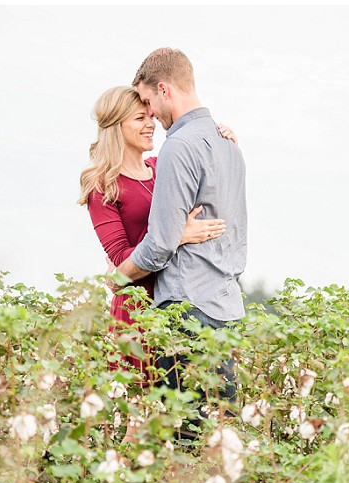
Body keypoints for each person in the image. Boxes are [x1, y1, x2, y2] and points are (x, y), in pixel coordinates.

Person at [78, 86, 236, 437]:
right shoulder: (102, 186)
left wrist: (222, 139)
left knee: (185, 413)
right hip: (138, 310)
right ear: (115, 126)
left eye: (150, 114)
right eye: (139, 118)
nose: (151, 123)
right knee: (141, 417)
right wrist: (176, 235)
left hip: (178, 299)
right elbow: (120, 262)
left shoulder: (160, 165)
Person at [111, 47, 247, 416]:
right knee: (221, 433)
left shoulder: (179, 147)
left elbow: (158, 245)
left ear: (164, 89)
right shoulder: (230, 146)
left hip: (187, 310)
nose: (151, 114)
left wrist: (119, 277)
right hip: (228, 310)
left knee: (184, 439)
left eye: (148, 101)